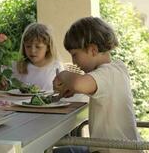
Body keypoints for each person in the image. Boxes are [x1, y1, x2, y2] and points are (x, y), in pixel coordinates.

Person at [53, 17, 140, 153]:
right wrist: (75, 90)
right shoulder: (117, 68)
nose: (74, 61)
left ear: (93, 50)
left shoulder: (106, 73)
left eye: (75, 55)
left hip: (112, 150)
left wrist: (62, 75)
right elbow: (98, 89)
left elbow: (78, 82)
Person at [12, 22, 63, 92]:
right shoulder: (18, 66)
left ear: (48, 47)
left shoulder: (56, 66)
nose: (32, 51)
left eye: (38, 47)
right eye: (28, 46)